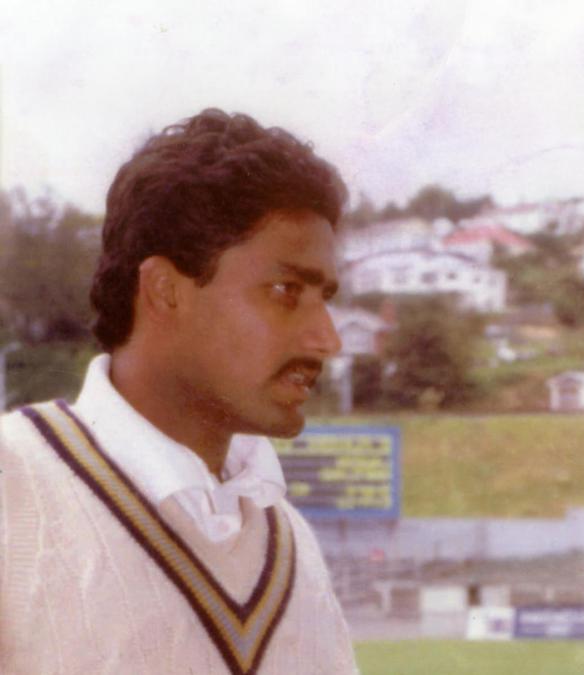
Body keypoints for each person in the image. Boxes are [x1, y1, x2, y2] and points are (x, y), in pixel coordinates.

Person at [0, 109, 358, 674]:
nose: (327, 338)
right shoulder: (14, 487)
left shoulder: (292, 544)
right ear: (165, 290)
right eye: (286, 290)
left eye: (326, 298)